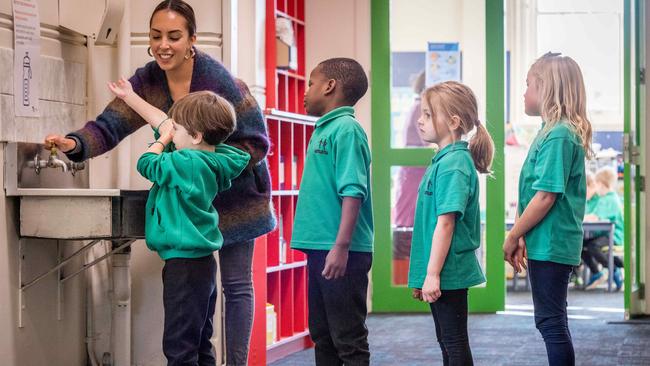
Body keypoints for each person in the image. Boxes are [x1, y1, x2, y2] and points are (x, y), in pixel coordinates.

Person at [44, 1, 274, 364]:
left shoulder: (220, 83)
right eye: (156, 36)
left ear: (192, 39)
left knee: (235, 285)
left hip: (238, 195)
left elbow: (256, 144)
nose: (163, 45)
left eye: (174, 36)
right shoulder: (149, 80)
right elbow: (112, 123)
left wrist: (204, 165)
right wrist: (75, 144)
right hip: (193, 190)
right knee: (201, 310)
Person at [110, 79, 249, 364]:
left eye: (178, 131)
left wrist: (161, 141)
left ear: (196, 135)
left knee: (179, 345)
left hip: (184, 267)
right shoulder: (211, 160)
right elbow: (164, 123)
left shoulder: (185, 164)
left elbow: (146, 163)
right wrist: (131, 97)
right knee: (199, 341)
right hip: (201, 263)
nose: (172, 135)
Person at [504, 52, 593, 366]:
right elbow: (531, 193)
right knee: (551, 321)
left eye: (528, 84)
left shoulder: (558, 135)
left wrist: (513, 235)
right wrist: (522, 235)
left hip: (553, 244)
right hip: (545, 242)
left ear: (546, 89)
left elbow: (545, 197)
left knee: (551, 323)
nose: (524, 92)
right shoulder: (549, 132)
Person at [291, 58, 373, 365]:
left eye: (311, 82)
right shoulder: (323, 129)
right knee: (322, 334)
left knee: (347, 337)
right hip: (320, 250)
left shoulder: (347, 130)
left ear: (329, 86)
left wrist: (341, 247)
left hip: (341, 252)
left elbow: (353, 191)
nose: (307, 90)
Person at [407, 81, 493, 366]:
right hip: (439, 271)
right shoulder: (443, 161)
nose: (420, 120)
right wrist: (424, 275)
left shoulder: (455, 164)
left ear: (454, 122)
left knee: (454, 343)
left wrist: (432, 275)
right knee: (446, 341)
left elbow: (446, 224)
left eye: (429, 114)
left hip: (449, 272)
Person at [392, 71, 428, 284]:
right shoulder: (419, 109)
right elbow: (428, 142)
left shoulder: (416, 107)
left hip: (413, 173)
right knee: (409, 222)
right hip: (414, 173)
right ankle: (407, 281)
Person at [582, 167, 624, 290]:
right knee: (580, 245)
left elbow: (594, 217)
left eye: (597, 184)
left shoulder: (610, 199)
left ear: (601, 184)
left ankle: (614, 270)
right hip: (604, 235)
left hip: (614, 236)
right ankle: (597, 273)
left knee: (593, 246)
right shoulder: (605, 199)